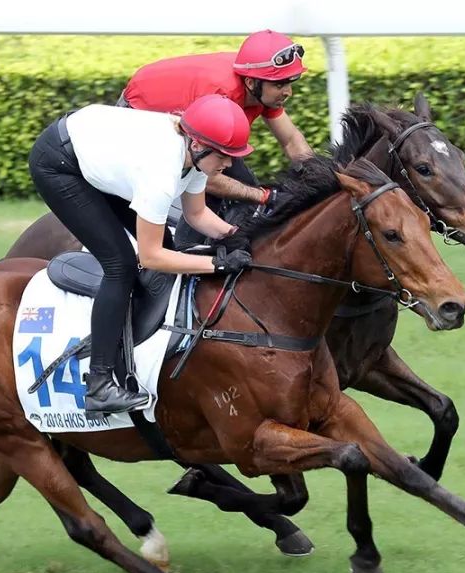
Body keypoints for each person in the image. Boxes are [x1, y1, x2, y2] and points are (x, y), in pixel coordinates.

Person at [28, 95, 256, 417]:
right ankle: (99, 386)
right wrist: (216, 264)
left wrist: (237, 236)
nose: (229, 165)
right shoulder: (161, 171)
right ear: (197, 144)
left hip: (95, 150)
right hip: (60, 164)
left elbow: (196, 214)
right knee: (121, 265)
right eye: (224, 156)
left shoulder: (196, 156)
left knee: (169, 246)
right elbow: (151, 257)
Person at [117, 30, 315, 246]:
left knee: (241, 186)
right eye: (280, 85)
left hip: (184, 106)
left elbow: (291, 140)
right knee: (232, 185)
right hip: (140, 116)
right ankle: (183, 252)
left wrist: (320, 180)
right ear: (251, 83)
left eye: (289, 83)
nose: (288, 92)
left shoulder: (261, 84)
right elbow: (208, 177)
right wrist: (264, 196)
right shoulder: (223, 95)